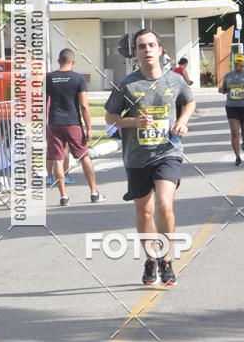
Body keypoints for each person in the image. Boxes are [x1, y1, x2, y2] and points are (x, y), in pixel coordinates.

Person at [105, 28, 195, 287]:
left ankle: (165, 259)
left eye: (151, 45)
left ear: (160, 49)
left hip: (168, 152)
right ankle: (151, 259)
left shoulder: (174, 80)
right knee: (144, 211)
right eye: (141, 46)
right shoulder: (127, 85)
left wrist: (182, 121)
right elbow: (110, 117)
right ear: (136, 53)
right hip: (136, 156)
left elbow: (189, 101)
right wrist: (133, 121)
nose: (147, 50)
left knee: (165, 205)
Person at [45, 48, 104, 207]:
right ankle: (94, 192)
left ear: (59, 61)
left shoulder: (49, 78)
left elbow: (44, 102)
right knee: (84, 156)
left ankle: (64, 197)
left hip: (54, 123)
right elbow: (84, 106)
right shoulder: (78, 79)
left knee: (58, 158)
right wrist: (89, 128)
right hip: (73, 123)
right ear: (73, 62)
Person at [219, 53, 244, 165]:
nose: (238, 65)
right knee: (235, 132)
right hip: (232, 107)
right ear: (234, 63)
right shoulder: (228, 76)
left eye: (241, 63)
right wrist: (221, 90)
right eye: (237, 63)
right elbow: (224, 89)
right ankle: (237, 157)